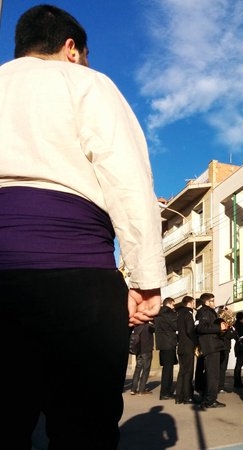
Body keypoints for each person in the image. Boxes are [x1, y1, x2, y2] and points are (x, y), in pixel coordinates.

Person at [0, 5, 166, 448]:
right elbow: (128, 181)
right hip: (74, 275)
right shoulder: (85, 82)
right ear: (71, 48)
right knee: (82, 432)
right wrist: (147, 281)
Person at [195, 293, 229, 408]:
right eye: (212, 301)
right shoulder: (205, 312)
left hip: (213, 345)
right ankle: (210, 400)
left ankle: (208, 398)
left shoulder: (208, 312)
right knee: (213, 375)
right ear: (206, 302)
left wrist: (222, 329)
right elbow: (201, 328)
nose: (214, 303)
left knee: (213, 374)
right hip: (211, 346)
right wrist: (219, 327)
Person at [175, 296, 199, 405]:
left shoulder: (179, 314)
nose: (194, 304)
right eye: (193, 302)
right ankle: (188, 397)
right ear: (189, 303)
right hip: (188, 346)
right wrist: (196, 342)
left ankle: (178, 397)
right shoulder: (189, 314)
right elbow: (190, 330)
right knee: (188, 372)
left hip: (181, 346)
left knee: (182, 372)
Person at [154, 297, 178, 400]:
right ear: (170, 303)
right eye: (173, 304)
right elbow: (176, 326)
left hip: (162, 343)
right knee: (168, 370)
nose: (174, 307)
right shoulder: (169, 313)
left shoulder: (158, 314)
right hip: (169, 343)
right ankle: (165, 393)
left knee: (166, 369)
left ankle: (165, 392)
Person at [130, 321, 155, 395]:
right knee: (146, 369)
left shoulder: (137, 326)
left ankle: (133, 389)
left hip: (138, 351)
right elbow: (155, 329)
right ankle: (142, 389)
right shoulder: (149, 326)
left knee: (137, 369)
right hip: (146, 350)